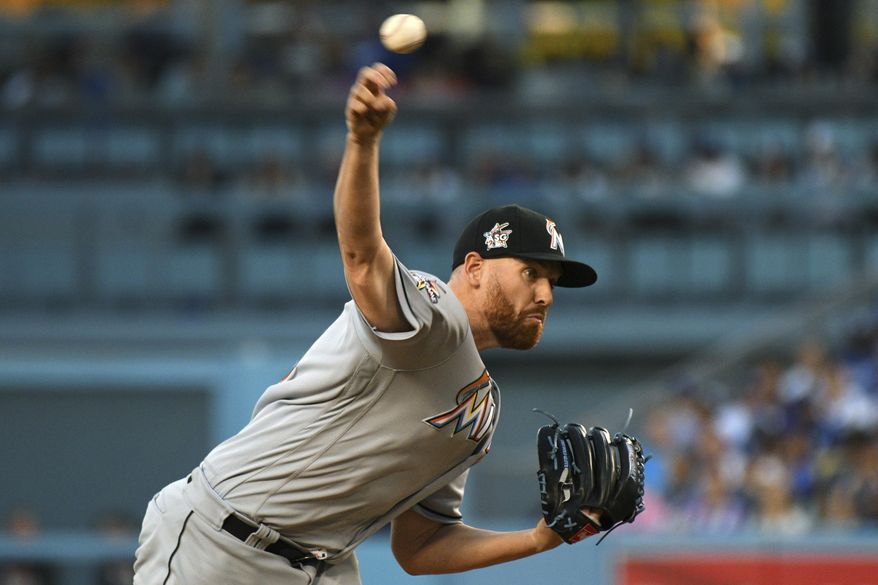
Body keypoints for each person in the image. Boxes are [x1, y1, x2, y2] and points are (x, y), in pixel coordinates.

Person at [132, 63, 599, 585]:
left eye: (553, 282)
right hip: (223, 545)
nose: (545, 294)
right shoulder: (432, 313)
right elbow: (361, 257)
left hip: (319, 568)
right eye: (530, 272)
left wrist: (538, 539)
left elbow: (423, 547)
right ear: (473, 268)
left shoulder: (481, 408)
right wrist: (362, 141)